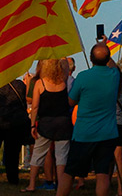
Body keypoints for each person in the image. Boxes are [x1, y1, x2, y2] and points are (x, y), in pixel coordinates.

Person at [56, 43, 121, 196]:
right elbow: (114, 66)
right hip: (107, 133)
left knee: (69, 172)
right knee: (102, 173)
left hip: (84, 133)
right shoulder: (114, 75)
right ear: (108, 58)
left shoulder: (83, 77)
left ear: (90, 59)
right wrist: (105, 47)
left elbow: (71, 101)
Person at [23, 59, 73, 192]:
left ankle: (32, 184)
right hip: (63, 122)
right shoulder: (63, 81)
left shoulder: (40, 83)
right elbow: (66, 67)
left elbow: (34, 107)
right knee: (62, 157)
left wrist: (33, 125)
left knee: (38, 155)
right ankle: (61, 187)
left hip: (46, 124)